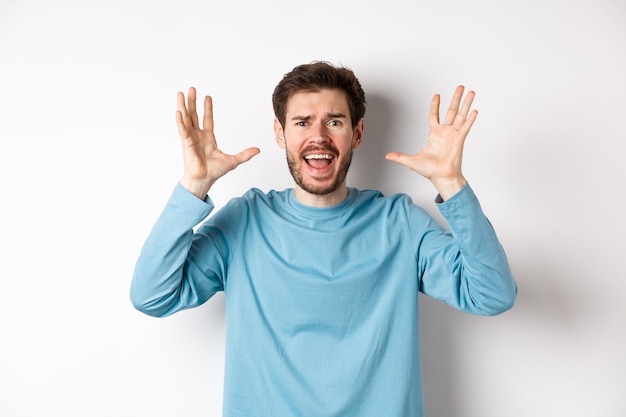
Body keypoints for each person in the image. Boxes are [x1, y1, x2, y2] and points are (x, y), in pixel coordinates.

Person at [130, 61, 517, 417]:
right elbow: (153, 295)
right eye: (302, 122)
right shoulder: (245, 221)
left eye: (334, 122)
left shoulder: (400, 223)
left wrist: (452, 185)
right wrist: (193, 186)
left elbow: (492, 294)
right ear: (280, 133)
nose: (318, 136)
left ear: (358, 132)